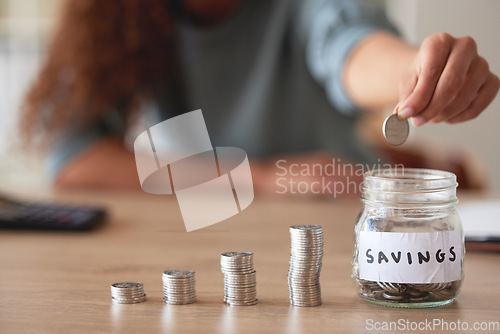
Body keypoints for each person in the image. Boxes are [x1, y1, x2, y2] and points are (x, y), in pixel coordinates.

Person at [20, 0, 499, 192]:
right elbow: (73, 161)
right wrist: (268, 179)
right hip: (200, 227)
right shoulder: (119, 17)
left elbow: (350, 47)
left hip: (339, 212)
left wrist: (416, 72)